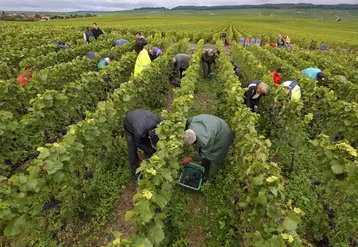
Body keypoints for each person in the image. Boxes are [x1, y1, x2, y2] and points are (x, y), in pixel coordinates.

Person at [181, 114, 232, 182]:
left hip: (223, 133)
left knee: (216, 156)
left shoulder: (205, 140)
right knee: (206, 156)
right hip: (212, 123)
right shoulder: (191, 122)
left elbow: (204, 154)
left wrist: (190, 158)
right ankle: (204, 167)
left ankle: (210, 179)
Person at [124, 109, 160, 178]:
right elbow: (139, 144)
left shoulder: (158, 122)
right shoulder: (139, 132)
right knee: (132, 149)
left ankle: (149, 158)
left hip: (140, 117)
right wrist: (151, 150)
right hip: (129, 124)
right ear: (149, 137)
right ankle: (135, 172)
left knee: (149, 147)